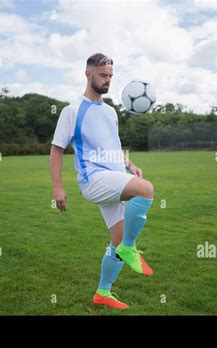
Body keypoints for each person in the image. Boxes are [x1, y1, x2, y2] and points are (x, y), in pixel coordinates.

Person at [49, 53, 154, 309]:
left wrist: (129, 164)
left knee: (116, 239)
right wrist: (58, 188)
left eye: (110, 76)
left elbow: (113, 146)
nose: (107, 81)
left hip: (114, 176)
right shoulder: (72, 111)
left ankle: (103, 293)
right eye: (102, 75)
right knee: (146, 189)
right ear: (88, 74)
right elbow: (56, 150)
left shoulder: (110, 112)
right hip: (93, 180)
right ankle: (130, 249)